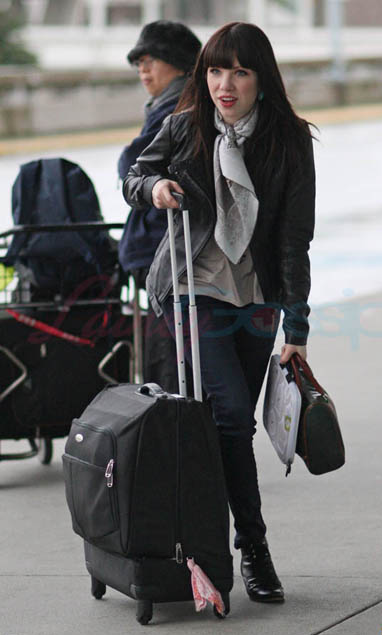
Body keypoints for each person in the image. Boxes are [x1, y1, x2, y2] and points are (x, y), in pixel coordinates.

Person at [123, 22, 316, 604]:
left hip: (255, 296)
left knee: (232, 424)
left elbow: (294, 238)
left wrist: (297, 325)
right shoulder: (186, 125)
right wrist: (155, 187)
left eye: (239, 72)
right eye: (214, 71)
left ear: (262, 78)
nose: (224, 85)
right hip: (194, 285)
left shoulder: (289, 140)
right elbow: (134, 176)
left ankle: (216, 544)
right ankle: (252, 548)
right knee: (231, 414)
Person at [118, 20, 201, 391]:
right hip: (161, 256)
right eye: (138, 63)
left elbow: (132, 166)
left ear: (179, 63)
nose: (143, 70)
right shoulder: (165, 105)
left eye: (150, 60)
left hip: (168, 257)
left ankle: (176, 428)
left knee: (170, 364)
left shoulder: (179, 109)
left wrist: (132, 160)